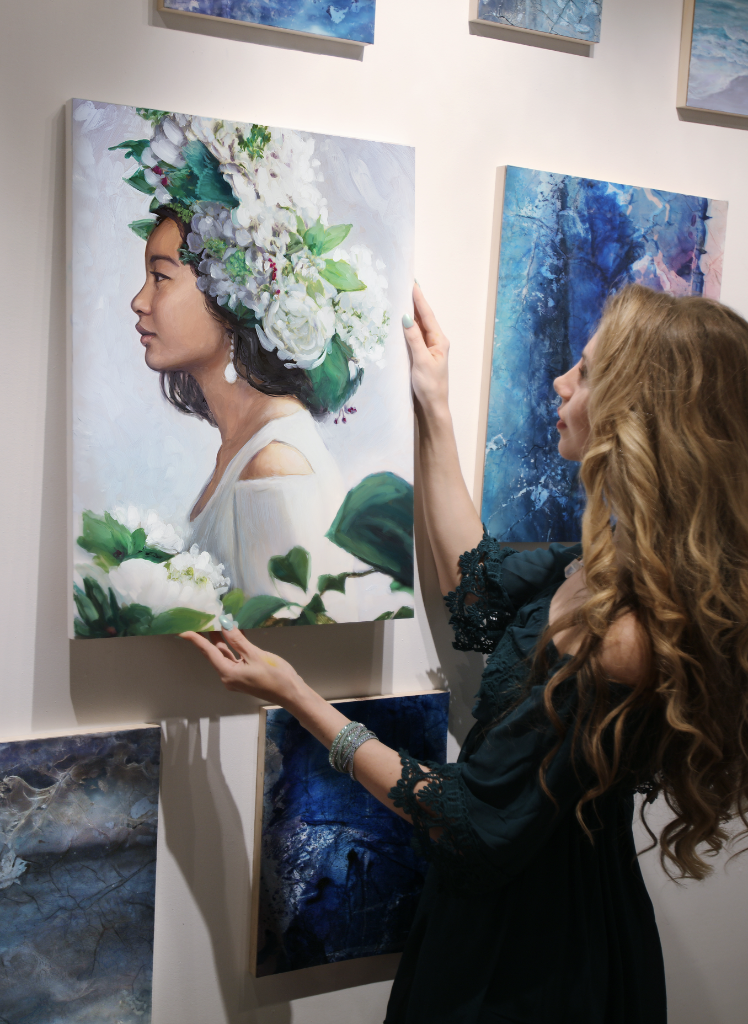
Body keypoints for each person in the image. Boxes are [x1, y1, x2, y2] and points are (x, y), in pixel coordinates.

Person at [183, 282, 748, 1023]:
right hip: (530, 916)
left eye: (584, 372)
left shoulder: (623, 632)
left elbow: (468, 821)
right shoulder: (604, 567)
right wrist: (434, 404)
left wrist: (299, 698)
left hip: (536, 959)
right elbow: (474, 583)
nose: (561, 382)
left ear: (636, 416)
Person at [118, 111, 391, 611]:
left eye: (160, 277)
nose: (139, 301)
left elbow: (294, 635)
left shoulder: (274, 466)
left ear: (227, 295)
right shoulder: (245, 445)